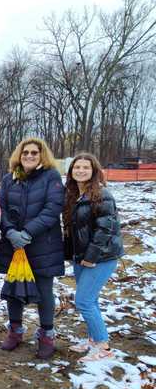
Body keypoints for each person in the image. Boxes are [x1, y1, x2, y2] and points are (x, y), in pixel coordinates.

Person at [0, 137, 65, 360]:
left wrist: (28, 232)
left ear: (41, 155)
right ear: (19, 154)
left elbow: (52, 208)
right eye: (26, 152)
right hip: (14, 245)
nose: (30, 156)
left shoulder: (51, 177)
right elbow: (1, 209)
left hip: (43, 245)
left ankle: (47, 335)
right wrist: (10, 232)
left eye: (35, 153)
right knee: (14, 290)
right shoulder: (9, 179)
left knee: (44, 292)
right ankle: (15, 331)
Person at [63, 153, 124, 362]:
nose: (80, 170)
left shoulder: (102, 195)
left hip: (101, 258)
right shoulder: (73, 195)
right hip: (80, 256)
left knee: (84, 301)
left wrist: (91, 256)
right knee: (92, 300)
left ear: (94, 171)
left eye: (85, 167)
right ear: (71, 171)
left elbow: (105, 229)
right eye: (76, 167)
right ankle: (92, 339)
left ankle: (103, 346)